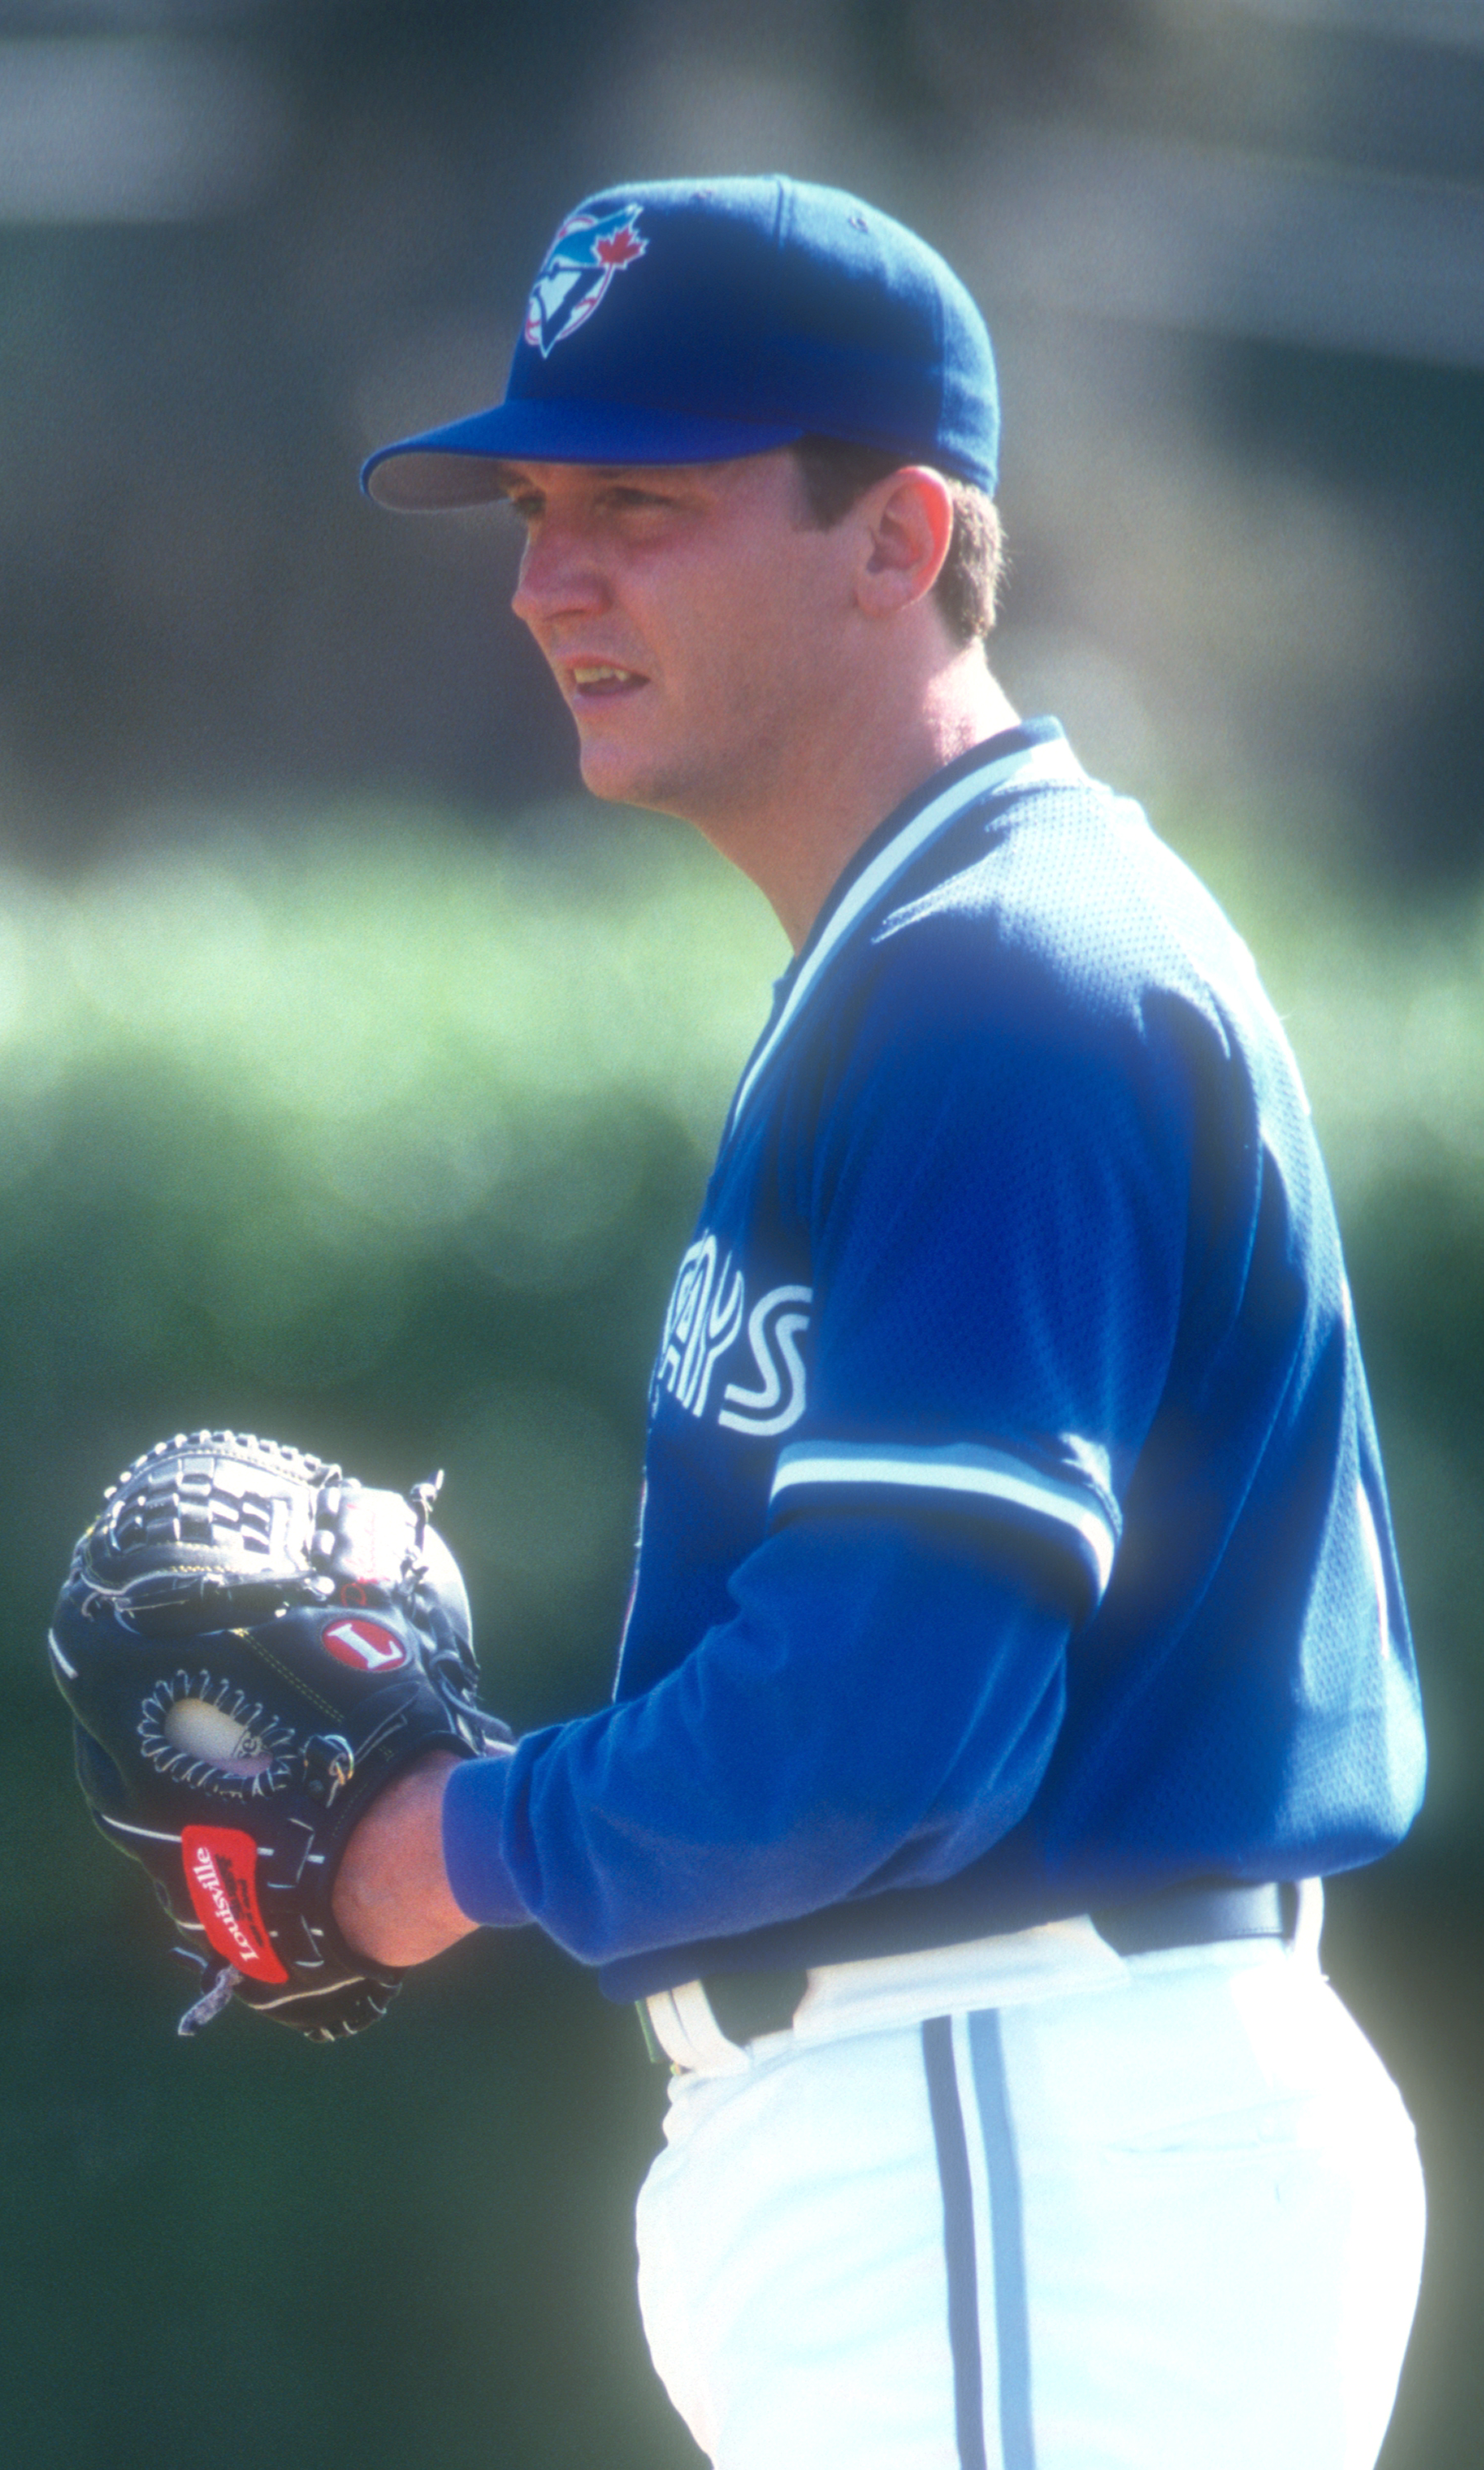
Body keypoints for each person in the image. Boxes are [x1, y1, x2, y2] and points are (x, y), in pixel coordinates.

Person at [333, 176, 1426, 2470]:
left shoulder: (1002, 990)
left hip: (1019, 2120)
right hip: (1002, 2133)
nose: (549, 578)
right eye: (536, 508)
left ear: (898, 537)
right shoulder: (946, 952)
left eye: (640, 503)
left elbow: (885, 1724)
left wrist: (446, 1845)